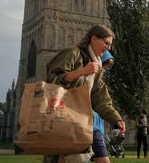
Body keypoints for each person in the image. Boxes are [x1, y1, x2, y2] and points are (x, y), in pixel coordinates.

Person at [44, 25, 125, 163]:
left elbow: (101, 100)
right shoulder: (73, 53)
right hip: (65, 119)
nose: (108, 48)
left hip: (88, 122)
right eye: (106, 43)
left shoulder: (97, 67)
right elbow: (53, 81)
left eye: (110, 45)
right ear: (93, 38)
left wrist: (116, 119)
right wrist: (81, 71)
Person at [90, 51, 115, 163]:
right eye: (105, 67)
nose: (106, 70)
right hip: (87, 126)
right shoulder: (89, 79)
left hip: (96, 129)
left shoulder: (100, 82)